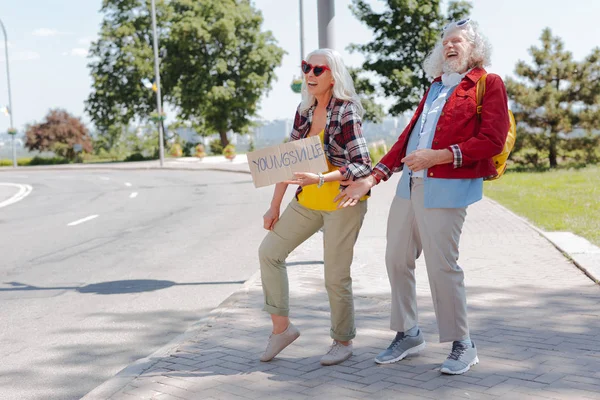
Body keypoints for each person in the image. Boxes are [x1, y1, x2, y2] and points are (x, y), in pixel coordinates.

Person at [334, 19, 509, 375]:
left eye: (457, 41)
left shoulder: (488, 84)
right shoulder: (435, 87)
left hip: (447, 186)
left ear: (474, 48)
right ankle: (409, 332)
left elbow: (492, 139)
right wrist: (373, 177)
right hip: (409, 185)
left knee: (442, 266)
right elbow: (407, 139)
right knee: (396, 258)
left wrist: (440, 156)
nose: (449, 47)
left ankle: (463, 344)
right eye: (445, 42)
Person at [258, 48, 372, 366]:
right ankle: (281, 330)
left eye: (317, 69)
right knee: (269, 253)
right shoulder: (304, 111)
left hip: (342, 203)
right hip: (307, 202)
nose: (309, 74)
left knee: (335, 276)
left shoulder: (346, 111)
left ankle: (342, 340)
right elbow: (289, 160)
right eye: (306, 67)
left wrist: (321, 178)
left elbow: (363, 164)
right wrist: (274, 206)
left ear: (333, 75)